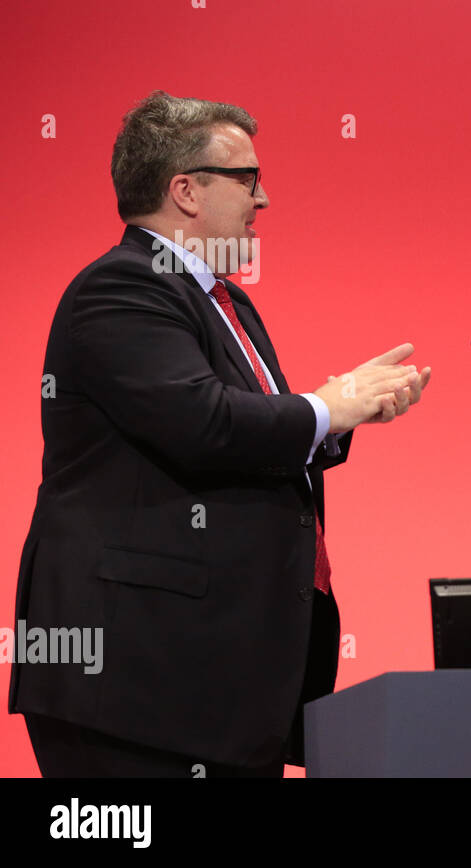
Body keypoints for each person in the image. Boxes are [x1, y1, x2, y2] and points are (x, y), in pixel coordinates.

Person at [9, 91, 432, 776]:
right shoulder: (121, 287)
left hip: (218, 690)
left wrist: (345, 413)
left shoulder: (227, 303)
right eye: (247, 179)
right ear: (185, 190)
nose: (262, 200)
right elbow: (202, 423)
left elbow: (244, 439)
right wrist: (326, 406)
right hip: (136, 687)